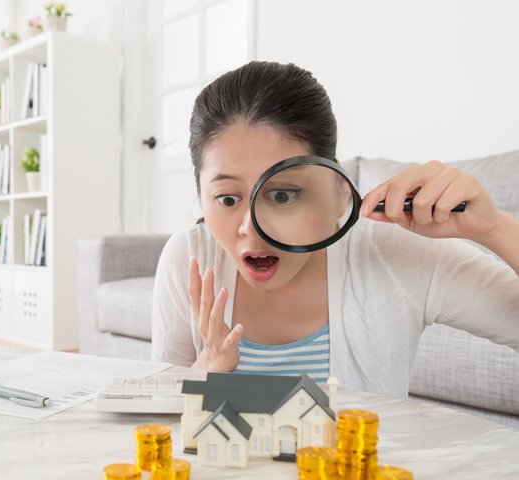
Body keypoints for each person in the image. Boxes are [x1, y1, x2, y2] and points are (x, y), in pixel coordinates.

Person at [151, 60, 519, 397]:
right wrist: (205, 371)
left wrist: (494, 229)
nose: (252, 229)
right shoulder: (190, 258)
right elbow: (158, 417)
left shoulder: (395, 253)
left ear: (338, 189)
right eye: (228, 199)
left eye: (282, 196)